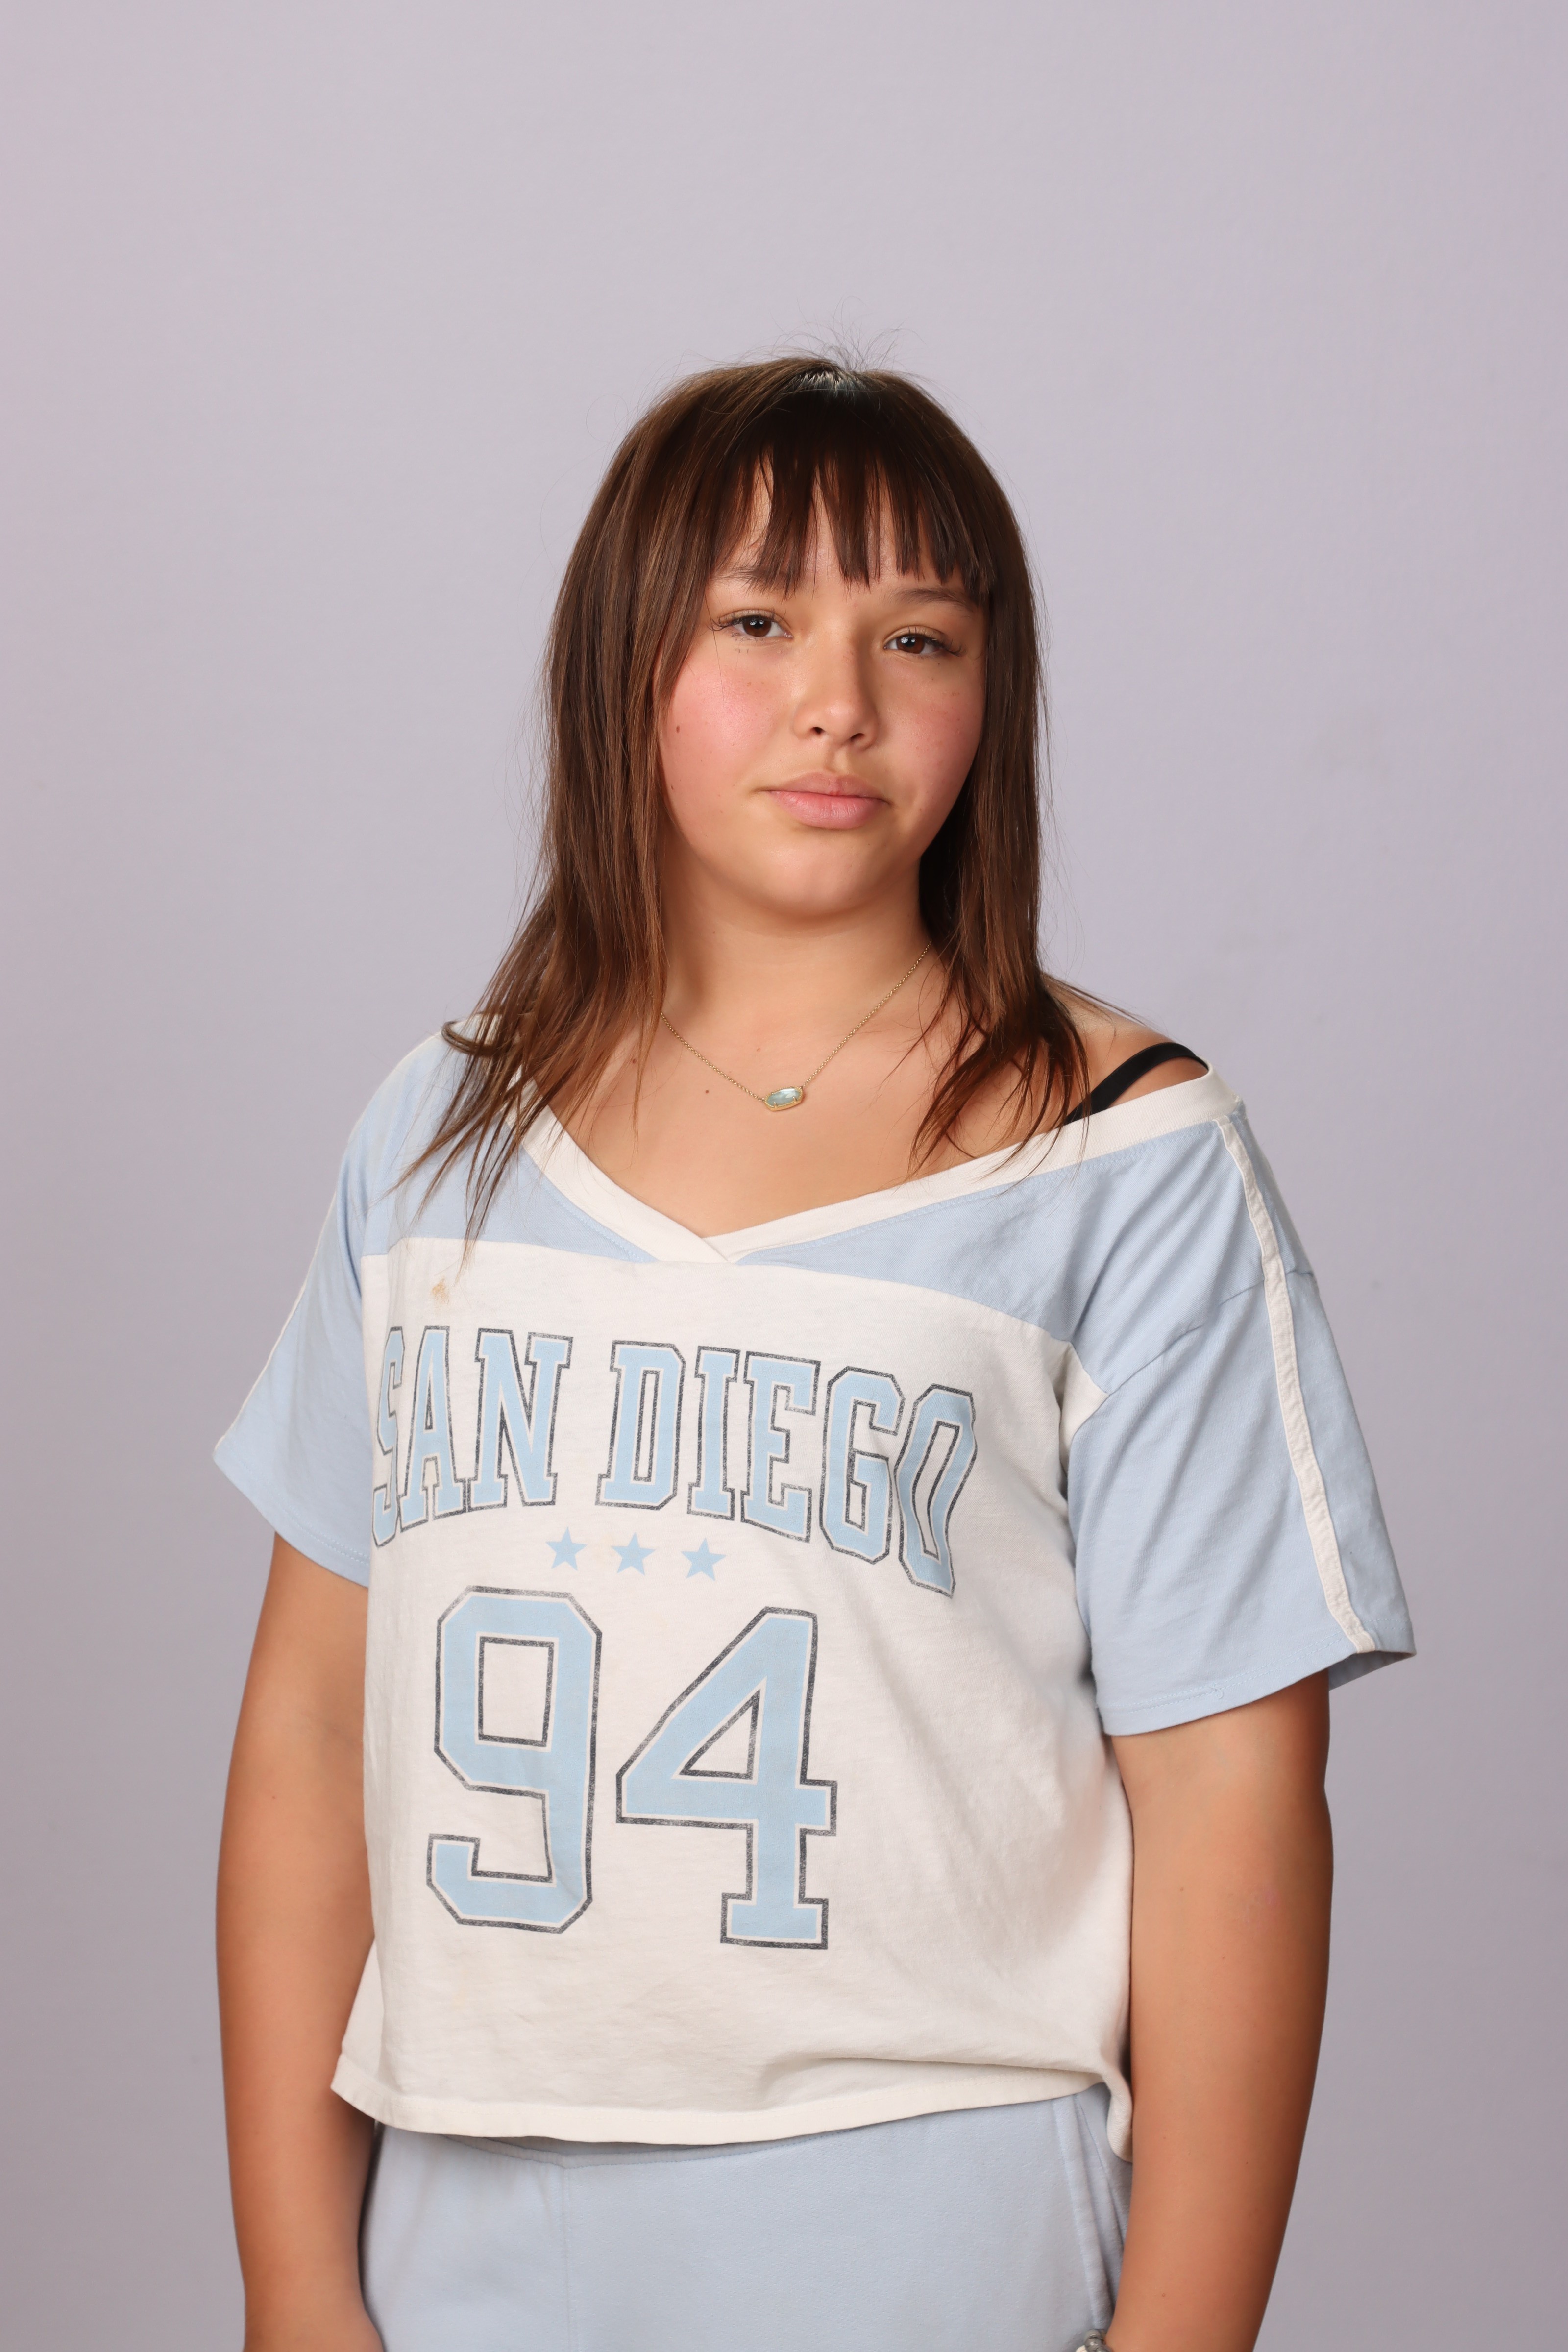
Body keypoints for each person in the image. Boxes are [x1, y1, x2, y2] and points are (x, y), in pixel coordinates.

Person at [215, 356, 1414, 2352]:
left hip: (928, 2210)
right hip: (461, 2215)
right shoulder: (440, 1134)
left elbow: (1233, 1806)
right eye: (757, 622)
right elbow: (308, 1732)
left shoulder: (1124, 1156)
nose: (838, 699)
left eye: (916, 637)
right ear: (622, 666)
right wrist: (289, 2291)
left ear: (991, 698)